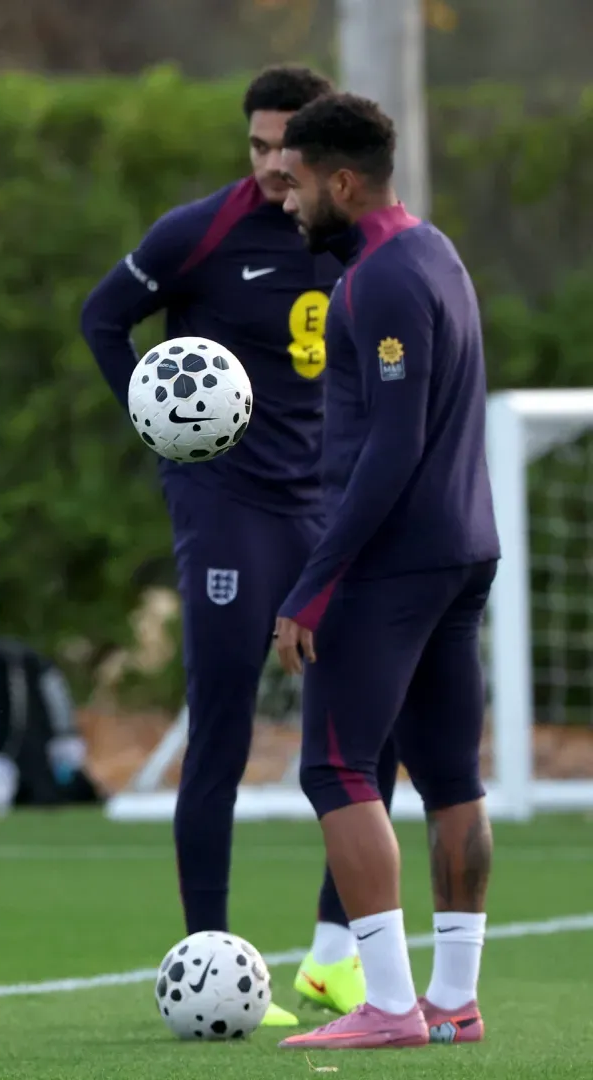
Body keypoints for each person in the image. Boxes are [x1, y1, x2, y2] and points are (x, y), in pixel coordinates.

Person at [78, 64, 378, 1023]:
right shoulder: (201, 232)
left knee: (371, 723)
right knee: (222, 731)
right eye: (257, 146)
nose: (271, 165)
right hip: (228, 509)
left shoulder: (358, 240)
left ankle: (334, 957)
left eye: (287, 148)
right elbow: (101, 317)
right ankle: (209, 958)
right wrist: (159, 427)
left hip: (328, 509)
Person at [271, 93, 499, 1051]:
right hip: (462, 551)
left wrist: (313, 585)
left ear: (343, 181)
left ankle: (393, 1004)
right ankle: (454, 1000)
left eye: (295, 183)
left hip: (391, 565)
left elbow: (392, 448)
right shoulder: (436, 252)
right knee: (450, 775)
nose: (286, 201)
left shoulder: (378, 284)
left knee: (335, 767)